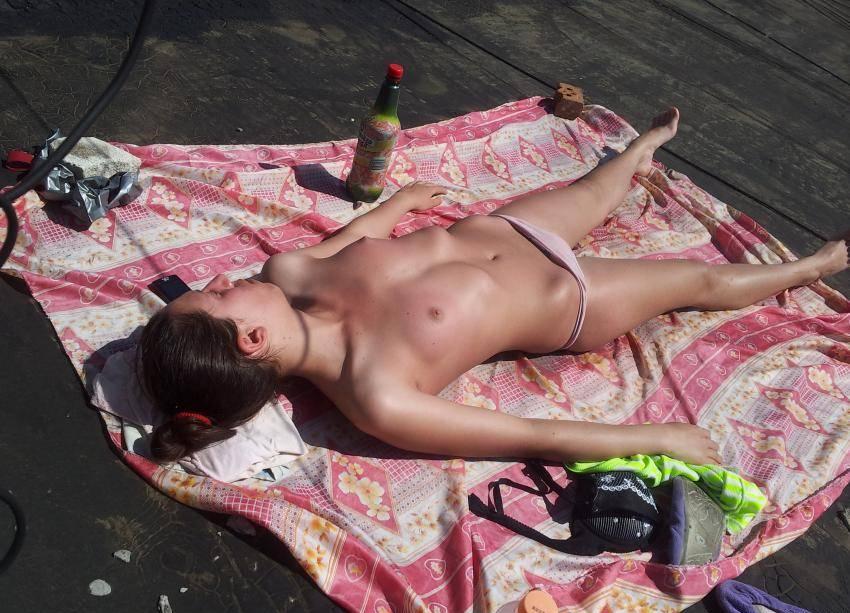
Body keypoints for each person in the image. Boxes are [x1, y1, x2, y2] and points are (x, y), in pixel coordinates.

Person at [139, 108, 849, 467]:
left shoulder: (288, 273)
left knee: (596, 190)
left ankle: (639, 152)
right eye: (216, 293)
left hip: (507, 228)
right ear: (252, 339)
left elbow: (355, 237)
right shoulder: (376, 393)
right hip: (572, 297)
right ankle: (810, 268)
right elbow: (529, 435)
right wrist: (656, 439)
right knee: (700, 279)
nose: (223, 276)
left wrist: (400, 205)